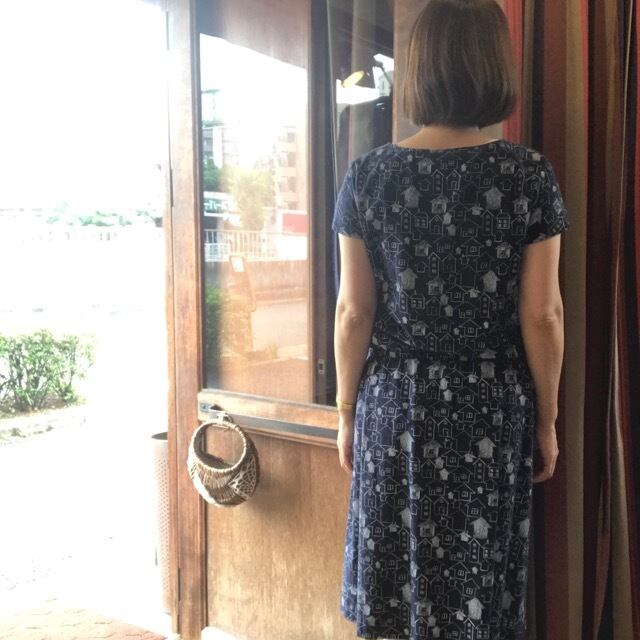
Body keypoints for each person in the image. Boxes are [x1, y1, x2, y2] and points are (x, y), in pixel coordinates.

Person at [331, 1, 570, 639]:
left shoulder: (367, 176)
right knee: (477, 597)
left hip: (394, 407)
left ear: (418, 70)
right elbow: (543, 314)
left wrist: (347, 411)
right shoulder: (527, 176)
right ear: (495, 67)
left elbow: (354, 312)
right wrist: (547, 420)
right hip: (490, 408)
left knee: (394, 592)